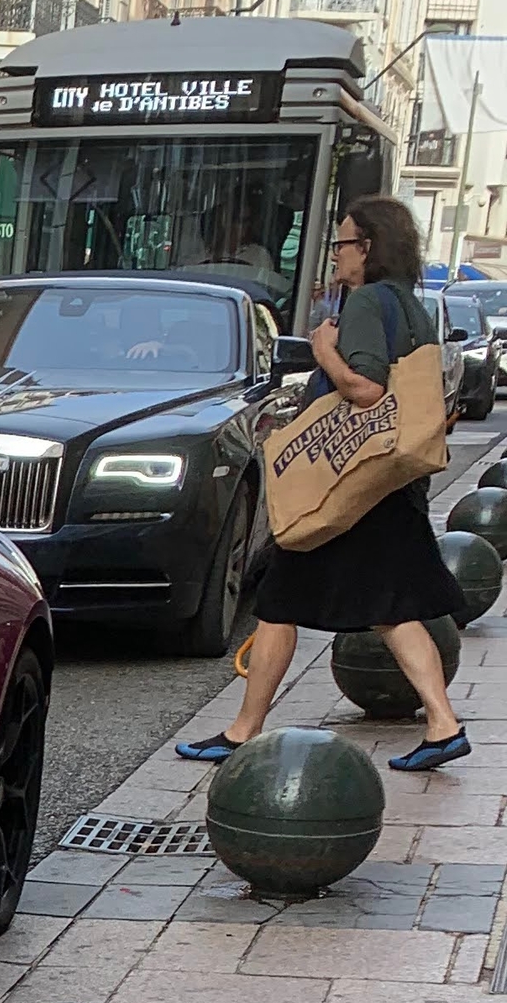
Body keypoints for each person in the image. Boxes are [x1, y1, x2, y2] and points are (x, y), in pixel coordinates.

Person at [177, 193, 467, 776]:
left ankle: (243, 730)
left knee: (278, 602)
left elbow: (366, 391)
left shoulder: (365, 303)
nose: (334, 254)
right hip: (388, 483)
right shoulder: (411, 304)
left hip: (347, 488)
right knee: (392, 607)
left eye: (342, 243)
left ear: (368, 248)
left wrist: (323, 352)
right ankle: (442, 723)